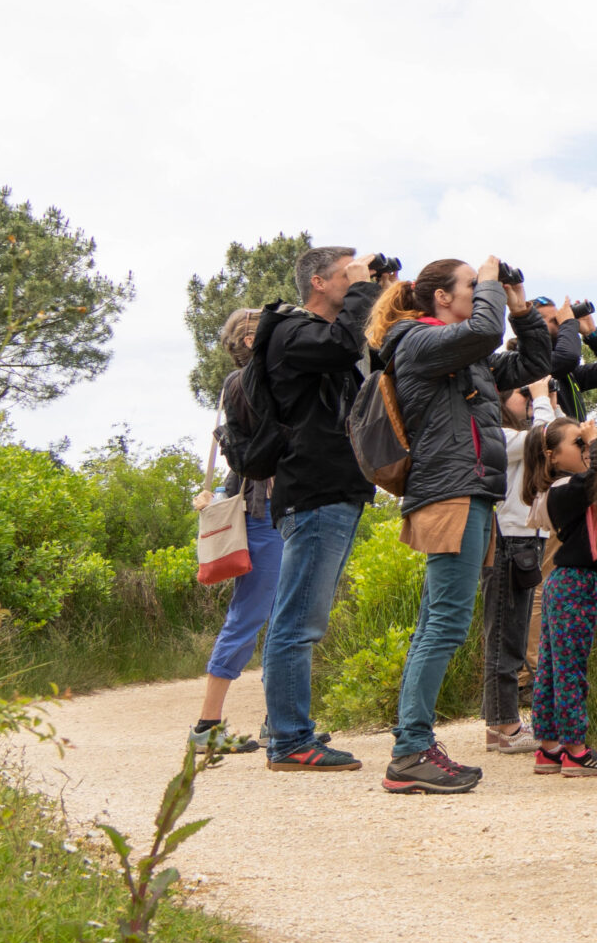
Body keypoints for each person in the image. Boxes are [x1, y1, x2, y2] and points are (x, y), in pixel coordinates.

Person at [370, 256, 557, 795]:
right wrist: (493, 281)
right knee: (446, 624)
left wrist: (520, 308)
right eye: (471, 288)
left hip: (468, 493)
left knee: (438, 622)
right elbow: (482, 330)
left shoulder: (460, 356)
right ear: (441, 299)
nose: (481, 295)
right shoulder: (415, 341)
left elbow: (534, 363)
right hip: (449, 495)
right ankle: (409, 752)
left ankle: (412, 746)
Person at [254, 244, 384, 773]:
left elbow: (363, 346)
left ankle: (287, 728)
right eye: (345, 277)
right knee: (297, 621)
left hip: (333, 490)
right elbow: (342, 344)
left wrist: (374, 289)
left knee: (302, 617)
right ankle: (288, 740)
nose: (355, 283)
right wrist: (362, 290)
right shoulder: (291, 332)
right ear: (319, 284)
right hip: (314, 492)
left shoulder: (323, 335)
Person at [187, 309, 284, 754]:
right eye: (257, 333)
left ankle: (280, 721)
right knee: (247, 619)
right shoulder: (244, 384)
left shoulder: (274, 379)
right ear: (244, 343)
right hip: (263, 517)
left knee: (286, 620)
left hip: (281, 515)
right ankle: (208, 726)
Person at [530, 418, 597, 777]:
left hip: (566, 582)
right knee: (569, 669)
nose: (585, 448)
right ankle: (576, 749)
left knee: (552, 666)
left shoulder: (570, 486)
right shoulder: (563, 489)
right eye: (578, 443)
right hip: (575, 582)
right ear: (551, 456)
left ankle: (550, 747)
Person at [483, 384, 550, 754]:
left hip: (526, 538)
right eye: (522, 393)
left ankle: (498, 724)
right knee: (504, 635)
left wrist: (547, 401)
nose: (529, 399)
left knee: (513, 631)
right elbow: (543, 440)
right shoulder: (500, 434)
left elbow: (556, 442)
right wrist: (541, 397)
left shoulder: (520, 433)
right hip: (508, 540)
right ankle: (504, 725)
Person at [545, 298, 597, 420]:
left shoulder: (568, 374)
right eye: (554, 320)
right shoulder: (528, 366)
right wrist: (568, 323)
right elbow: (568, 358)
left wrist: (592, 334)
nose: (560, 322)